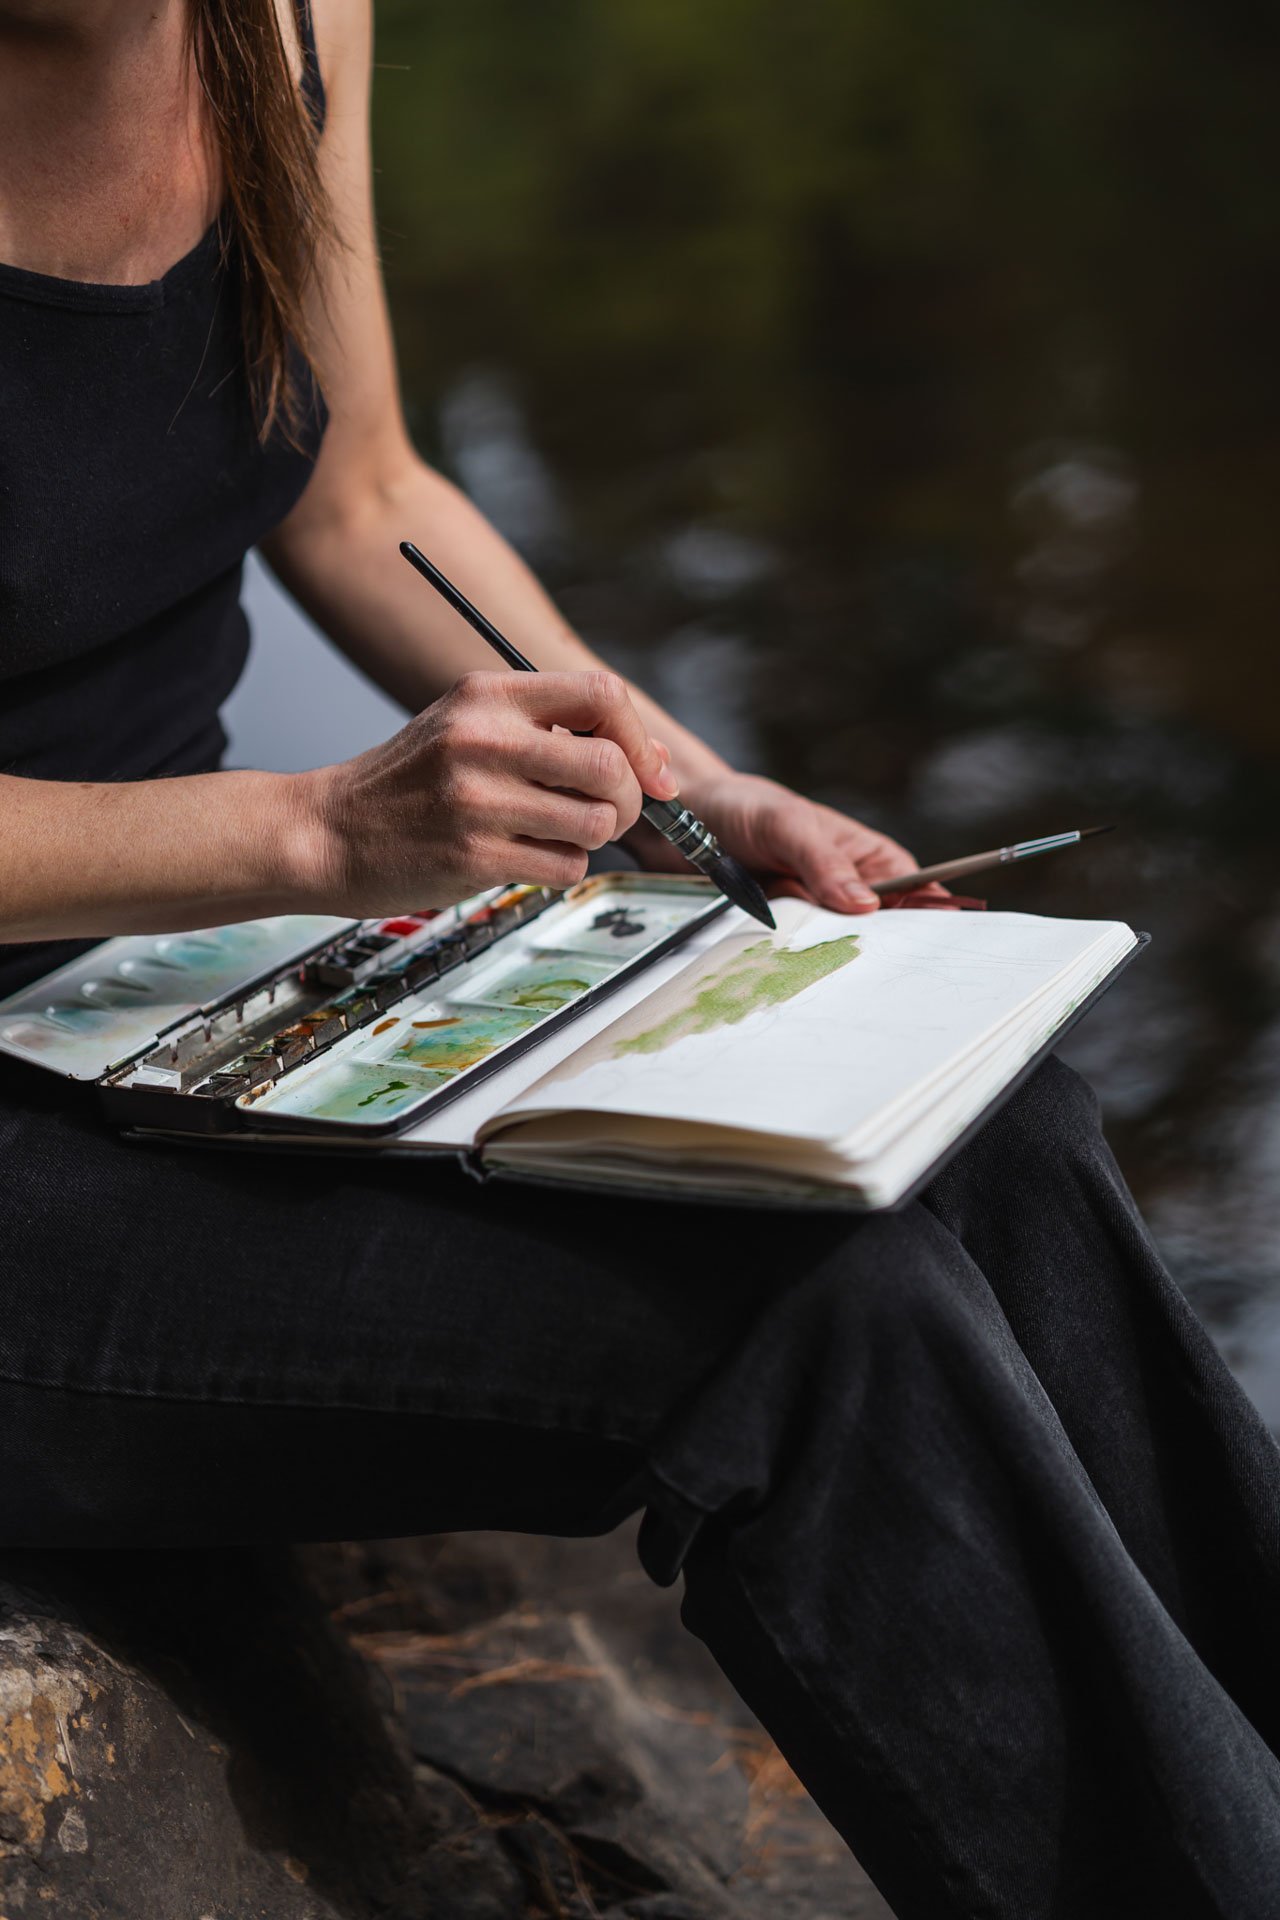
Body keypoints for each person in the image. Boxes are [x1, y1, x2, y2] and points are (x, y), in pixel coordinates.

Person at [2, 5, 1278, 1915]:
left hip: (179, 996)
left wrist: (693, 793)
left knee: (985, 1131)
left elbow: (366, 496)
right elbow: (311, 811)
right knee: (813, 1323)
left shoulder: (285, 16)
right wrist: (319, 832)